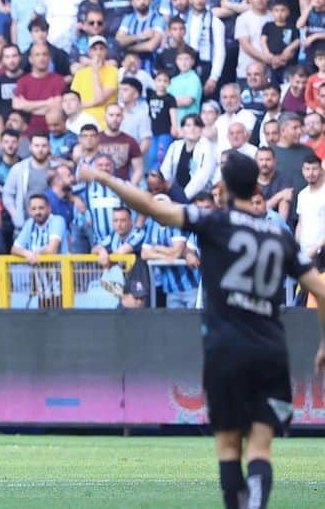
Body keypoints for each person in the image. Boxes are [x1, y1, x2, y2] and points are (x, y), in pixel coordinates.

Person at [79, 152, 325, 509]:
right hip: (270, 352)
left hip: (225, 349)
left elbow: (152, 207)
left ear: (222, 188)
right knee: (259, 447)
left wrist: (104, 179)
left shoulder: (213, 222)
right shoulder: (280, 236)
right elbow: (320, 290)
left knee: (228, 447)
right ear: (256, 186)